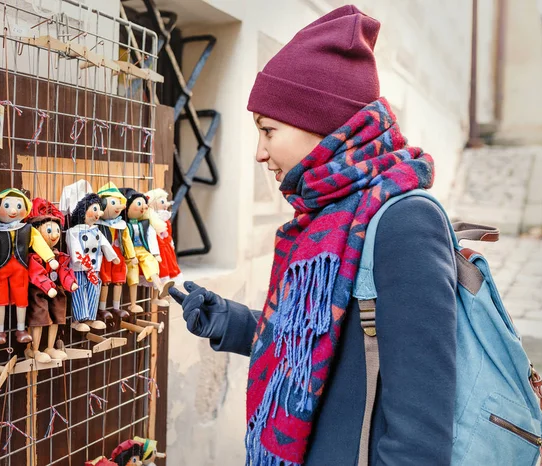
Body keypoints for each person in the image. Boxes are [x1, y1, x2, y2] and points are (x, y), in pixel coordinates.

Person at [170, 5, 456, 466]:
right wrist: (231, 321)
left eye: (269, 130)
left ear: (322, 125)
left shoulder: (405, 222)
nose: (260, 153)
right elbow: (323, 342)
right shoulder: (325, 214)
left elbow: (422, 429)